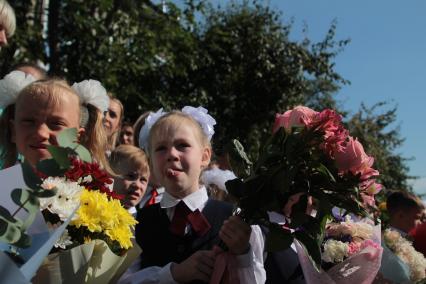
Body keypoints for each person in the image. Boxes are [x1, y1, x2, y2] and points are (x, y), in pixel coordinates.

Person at [119, 107, 266, 283]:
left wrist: (243, 254)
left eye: (182, 145)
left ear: (204, 157)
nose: (172, 155)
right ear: (150, 162)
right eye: (160, 148)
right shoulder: (136, 223)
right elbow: (123, 280)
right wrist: (173, 274)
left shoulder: (235, 220)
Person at [0, 72, 110, 170]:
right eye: (29, 121)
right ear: (14, 131)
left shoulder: (92, 189)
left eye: (56, 123)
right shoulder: (4, 186)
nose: (40, 133)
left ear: (77, 137)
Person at [110, 144, 150, 215]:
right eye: (131, 176)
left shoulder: (144, 222)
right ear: (111, 175)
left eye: (143, 180)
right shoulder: (93, 212)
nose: (137, 185)